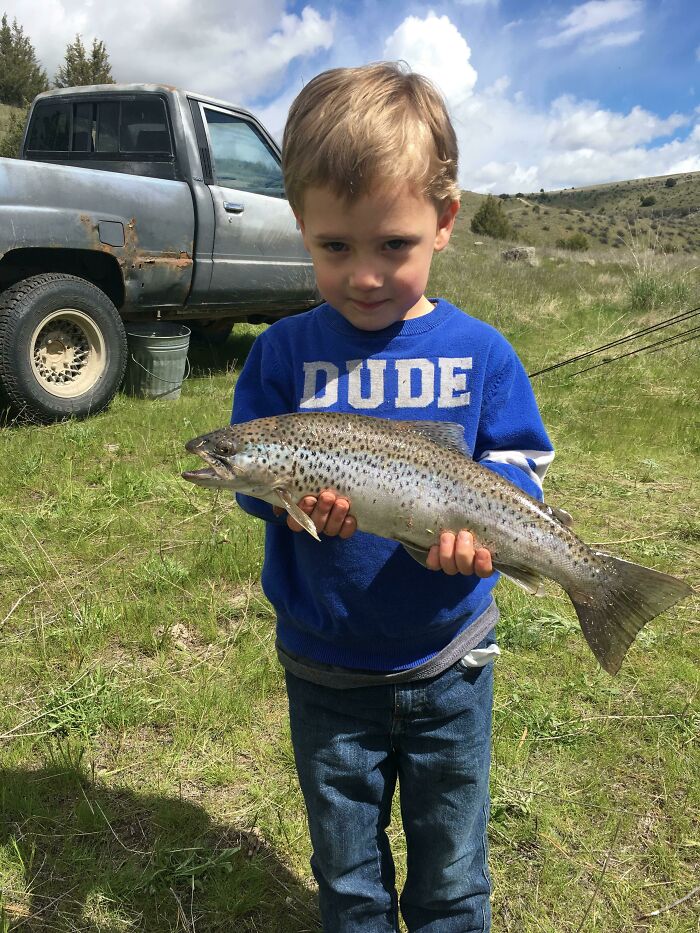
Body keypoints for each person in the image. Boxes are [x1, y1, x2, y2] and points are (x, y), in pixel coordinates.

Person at [231, 62, 553, 933]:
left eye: (393, 246)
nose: (365, 275)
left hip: (453, 661)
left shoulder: (484, 353)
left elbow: (522, 464)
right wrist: (281, 502)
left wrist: (489, 535)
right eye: (336, 247)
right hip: (325, 668)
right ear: (302, 227)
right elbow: (253, 486)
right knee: (350, 884)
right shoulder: (279, 357)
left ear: (445, 223)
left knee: (452, 881)